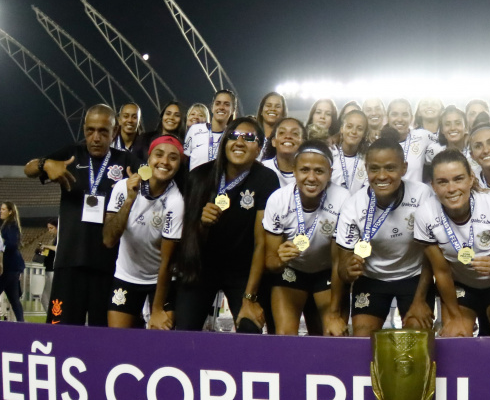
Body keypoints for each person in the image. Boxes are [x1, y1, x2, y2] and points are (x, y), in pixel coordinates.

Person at [24, 104, 138, 325]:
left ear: (114, 132)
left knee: (104, 340)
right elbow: (28, 169)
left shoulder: (126, 162)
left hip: (110, 266)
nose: (96, 137)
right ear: (84, 129)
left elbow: (152, 177)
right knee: (60, 334)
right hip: (70, 262)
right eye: (90, 130)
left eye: (103, 131)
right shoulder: (71, 154)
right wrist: (45, 164)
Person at [175, 117, 280, 331]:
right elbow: (185, 236)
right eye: (232, 136)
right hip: (202, 268)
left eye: (249, 137)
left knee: (249, 328)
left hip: (242, 271)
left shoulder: (266, 179)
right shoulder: (199, 176)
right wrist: (202, 224)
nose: (239, 141)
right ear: (224, 142)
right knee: (183, 330)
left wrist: (249, 298)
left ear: (259, 147)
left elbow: (261, 243)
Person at [335, 135, 435, 336]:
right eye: (374, 168)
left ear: (404, 168)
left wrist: (420, 300)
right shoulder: (353, 206)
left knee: (416, 337)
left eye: (390, 168)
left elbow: (431, 255)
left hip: (414, 277)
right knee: (362, 340)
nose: (382, 176)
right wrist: (348, 269)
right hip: (372, 278)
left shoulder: (422, 194)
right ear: (366, 168)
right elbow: (343, 267)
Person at [415, 150, 490, 336]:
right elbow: (441, 271)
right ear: (433, 186)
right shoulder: (426, 214)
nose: (451, 188)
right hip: (460, 288)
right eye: (442, 182)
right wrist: (455, 317)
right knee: (457, 339)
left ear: (471, 179)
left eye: (458, 179)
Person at [263, 141, 349, 336]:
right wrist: (279, 260)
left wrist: (334, 314)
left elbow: (338, 260)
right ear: (294, 170)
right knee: (285, 337)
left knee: (332, 336)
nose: (311, 178)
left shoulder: (343, 199)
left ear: (330, 172)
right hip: (292, 271)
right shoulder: (278, 200)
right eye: (304, 170)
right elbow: (270, 262)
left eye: (319, 171)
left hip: (327, 272)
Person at [103, 135, 185, 329]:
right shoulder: (124, 187)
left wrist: (157, 310)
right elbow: (108, 239)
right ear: (149, 159)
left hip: (160, 280)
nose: (164, 161)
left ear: (178, 165)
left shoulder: (175, 202)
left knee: (159, 344)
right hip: (127, 276)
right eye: (159, 154)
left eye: (173, 158)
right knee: (118, 342)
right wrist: (130, 199)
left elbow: (167, 261)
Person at [385, 99, 441, 184]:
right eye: (394, 114)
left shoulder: (423, 135)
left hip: (416, 196)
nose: (400, 119)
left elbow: (444, 145)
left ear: (411, 118)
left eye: (405, 114)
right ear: (387, 117)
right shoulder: (379, 142)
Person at [186, 89, 237, 170]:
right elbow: (185, 160)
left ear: (233, 109)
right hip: (195, 181)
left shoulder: (234, 136)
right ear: (212, 107)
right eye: (218, 103)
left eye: (226, 104)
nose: (221, 107)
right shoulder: (195, 130)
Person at [330, 109, 370, 194]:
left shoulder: (366, 159)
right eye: (349, 126)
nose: (354, 132)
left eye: (359, 129)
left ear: (364, 134)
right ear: (342, 129)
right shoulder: (330, 153)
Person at [262, 117, 306, 187]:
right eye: (282, 133)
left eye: (295, 133)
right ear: (273, 142)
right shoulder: (262, 169)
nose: (288, 136)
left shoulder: (309, 173)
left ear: (303, 143)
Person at [0, 202, 25, 321]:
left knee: (14, 298)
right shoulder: (7, 225)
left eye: (3, 209)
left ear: (10, 212)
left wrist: (1, 246)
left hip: (10, 266)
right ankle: (21, 322)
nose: (1, 211)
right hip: (12, 266)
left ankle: (21, 322)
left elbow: (12, 244)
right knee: (14, 299)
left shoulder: (11, 225)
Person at [37, 219, 57, 312]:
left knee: (47, 297)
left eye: (51, 228)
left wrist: (47, 246)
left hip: (53, 270)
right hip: (49, 269)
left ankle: (53, 318)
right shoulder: (53, 239)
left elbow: (58, 249)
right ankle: (52, 317)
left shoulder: (59, 238)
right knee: (45, 298)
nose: (49, 230)